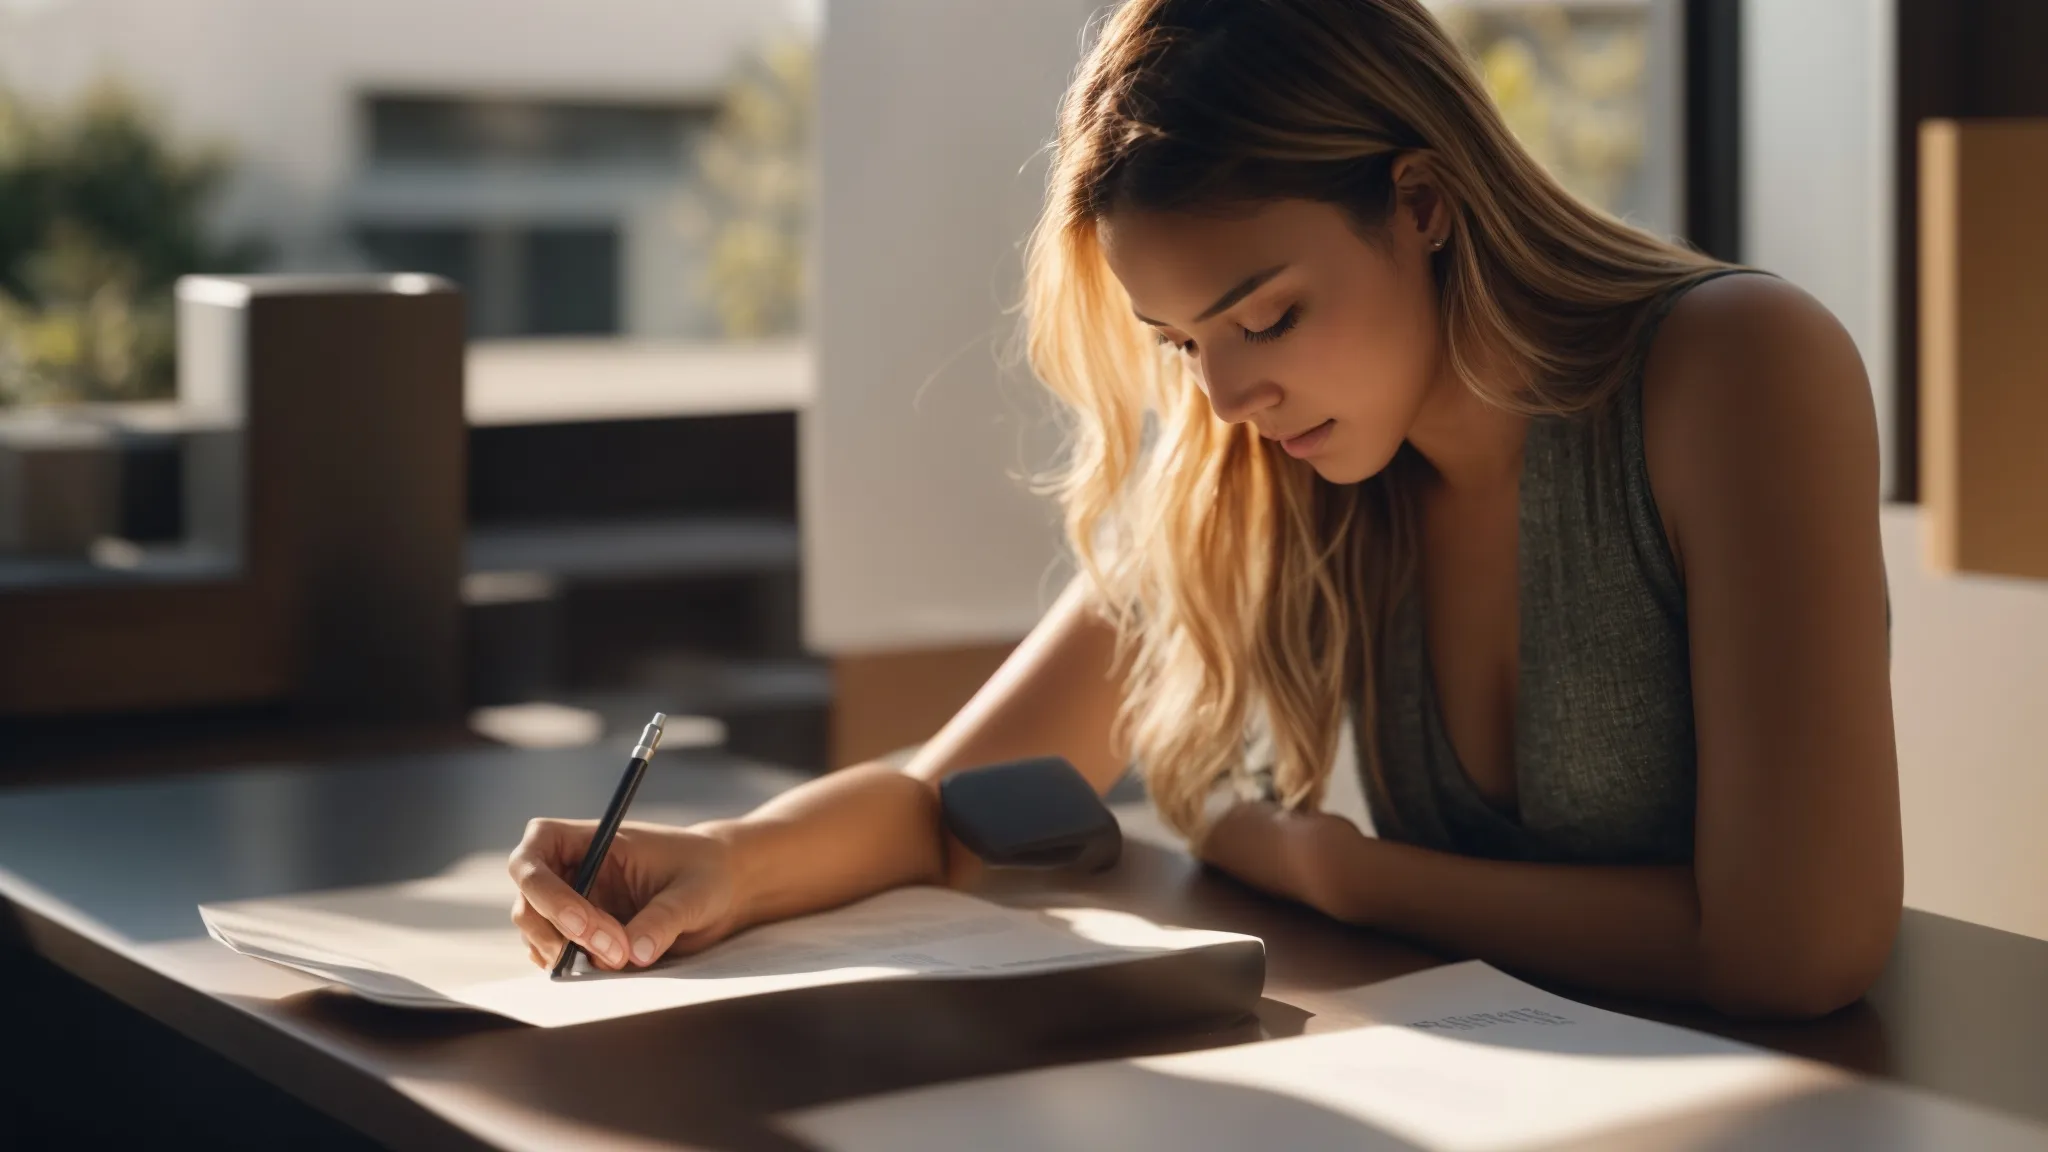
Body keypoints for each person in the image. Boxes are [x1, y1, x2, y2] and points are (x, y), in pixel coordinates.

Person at [509, 0, 1900, 1019]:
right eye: (1182, 344)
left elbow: (1799, 950)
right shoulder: (1274, 449)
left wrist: (1354, 880)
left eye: (1267, 315)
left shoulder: (1735, 369)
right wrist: (720, 864)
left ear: (1421, 199)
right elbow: (968, 798)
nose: (1227, 395)